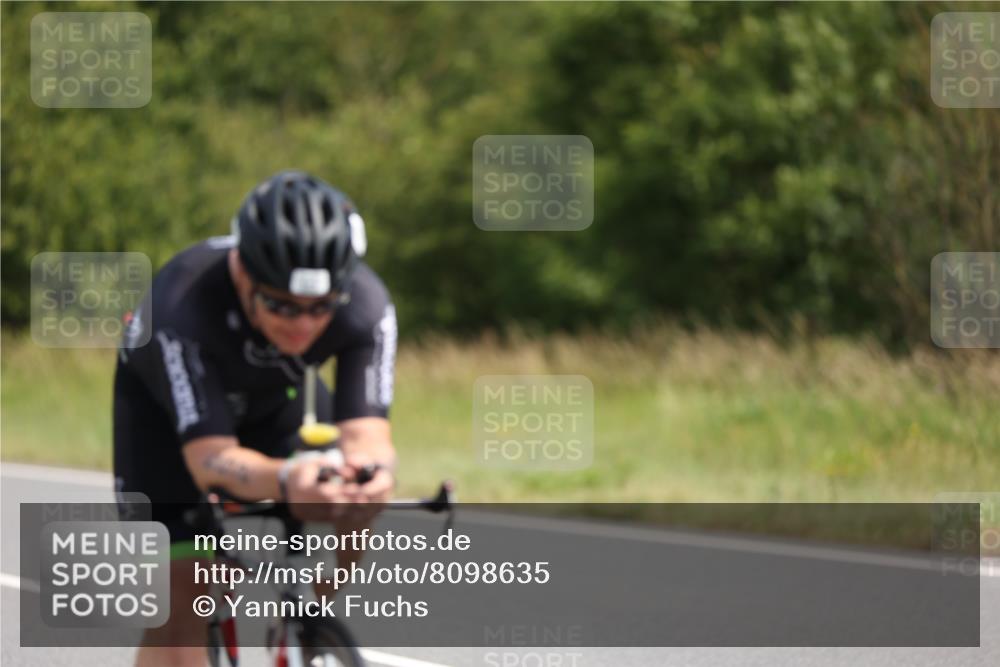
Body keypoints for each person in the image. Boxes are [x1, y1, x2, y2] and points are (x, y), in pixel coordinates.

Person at [113, 171, 397, 666]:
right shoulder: (181, 305)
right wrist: (287, 478)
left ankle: (304, 627)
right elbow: (210, 460)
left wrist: (365, 485)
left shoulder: (366, 306)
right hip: (166, 423)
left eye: (321, 308)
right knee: (188, 595)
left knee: (354, 485)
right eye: (281, 305)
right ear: (244, 274)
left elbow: (368, 436)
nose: (303, 324)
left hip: (272, 401)